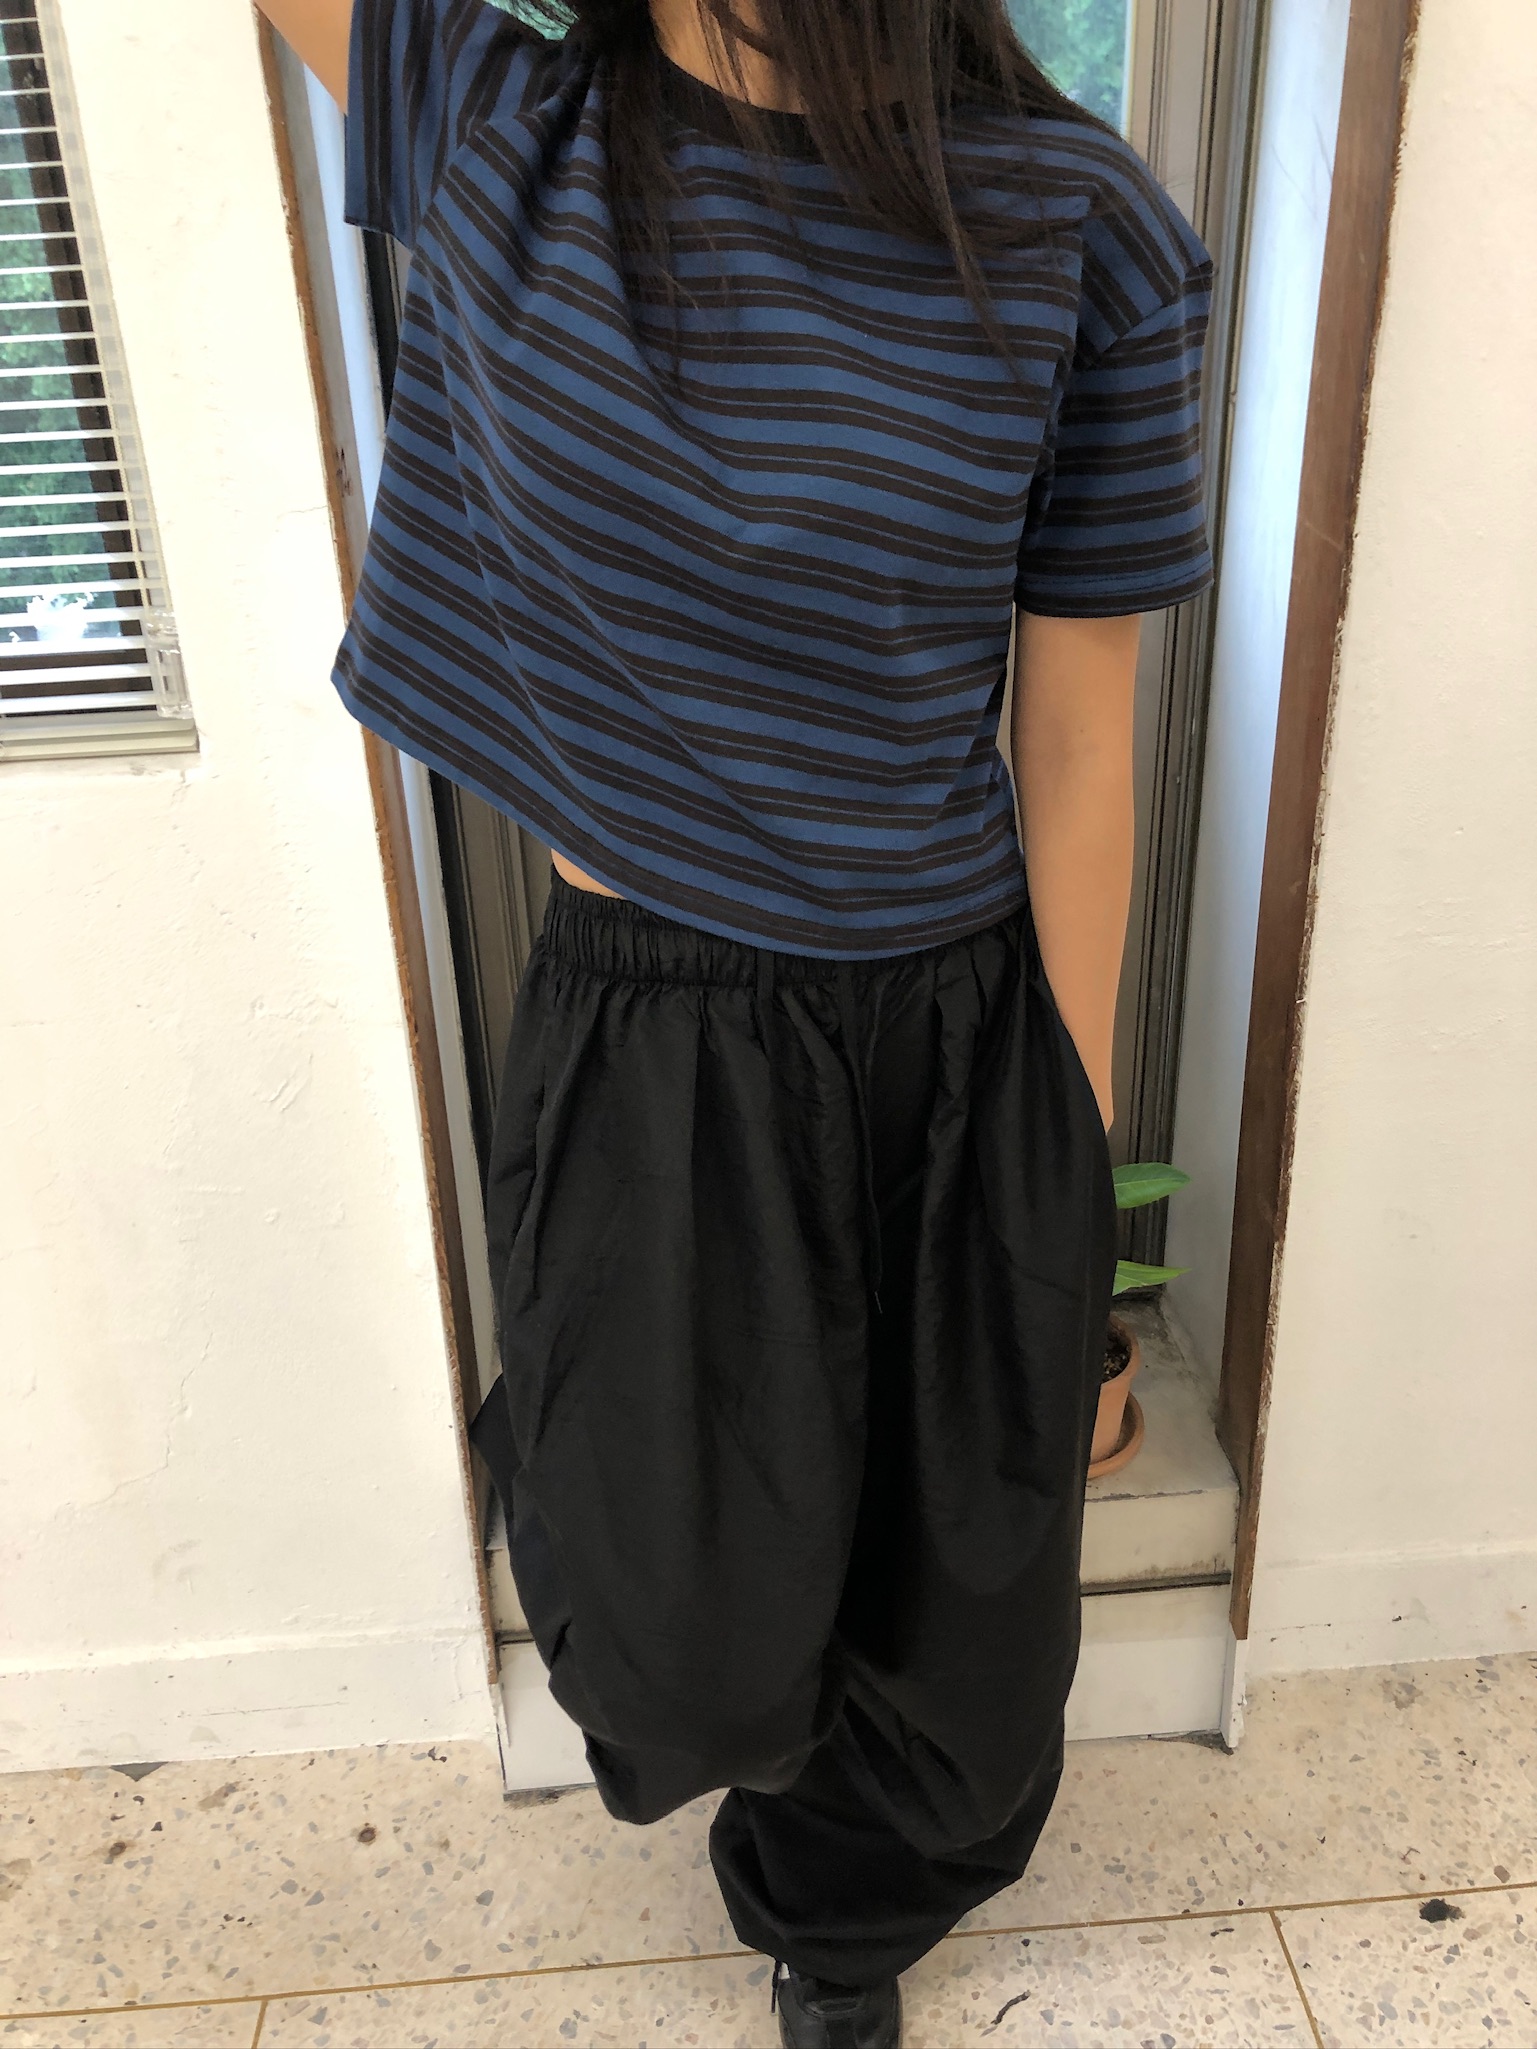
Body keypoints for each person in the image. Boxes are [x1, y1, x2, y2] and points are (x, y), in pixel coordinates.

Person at [256, 0, 1215, 2040]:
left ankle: (835, 1935)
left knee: (958, 1634)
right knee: (680, 1626)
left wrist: (1058, 1191)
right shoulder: (495, 122)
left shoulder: (1080, 229)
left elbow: (1075, 743)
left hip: (951, 1024)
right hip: (657, 1038)